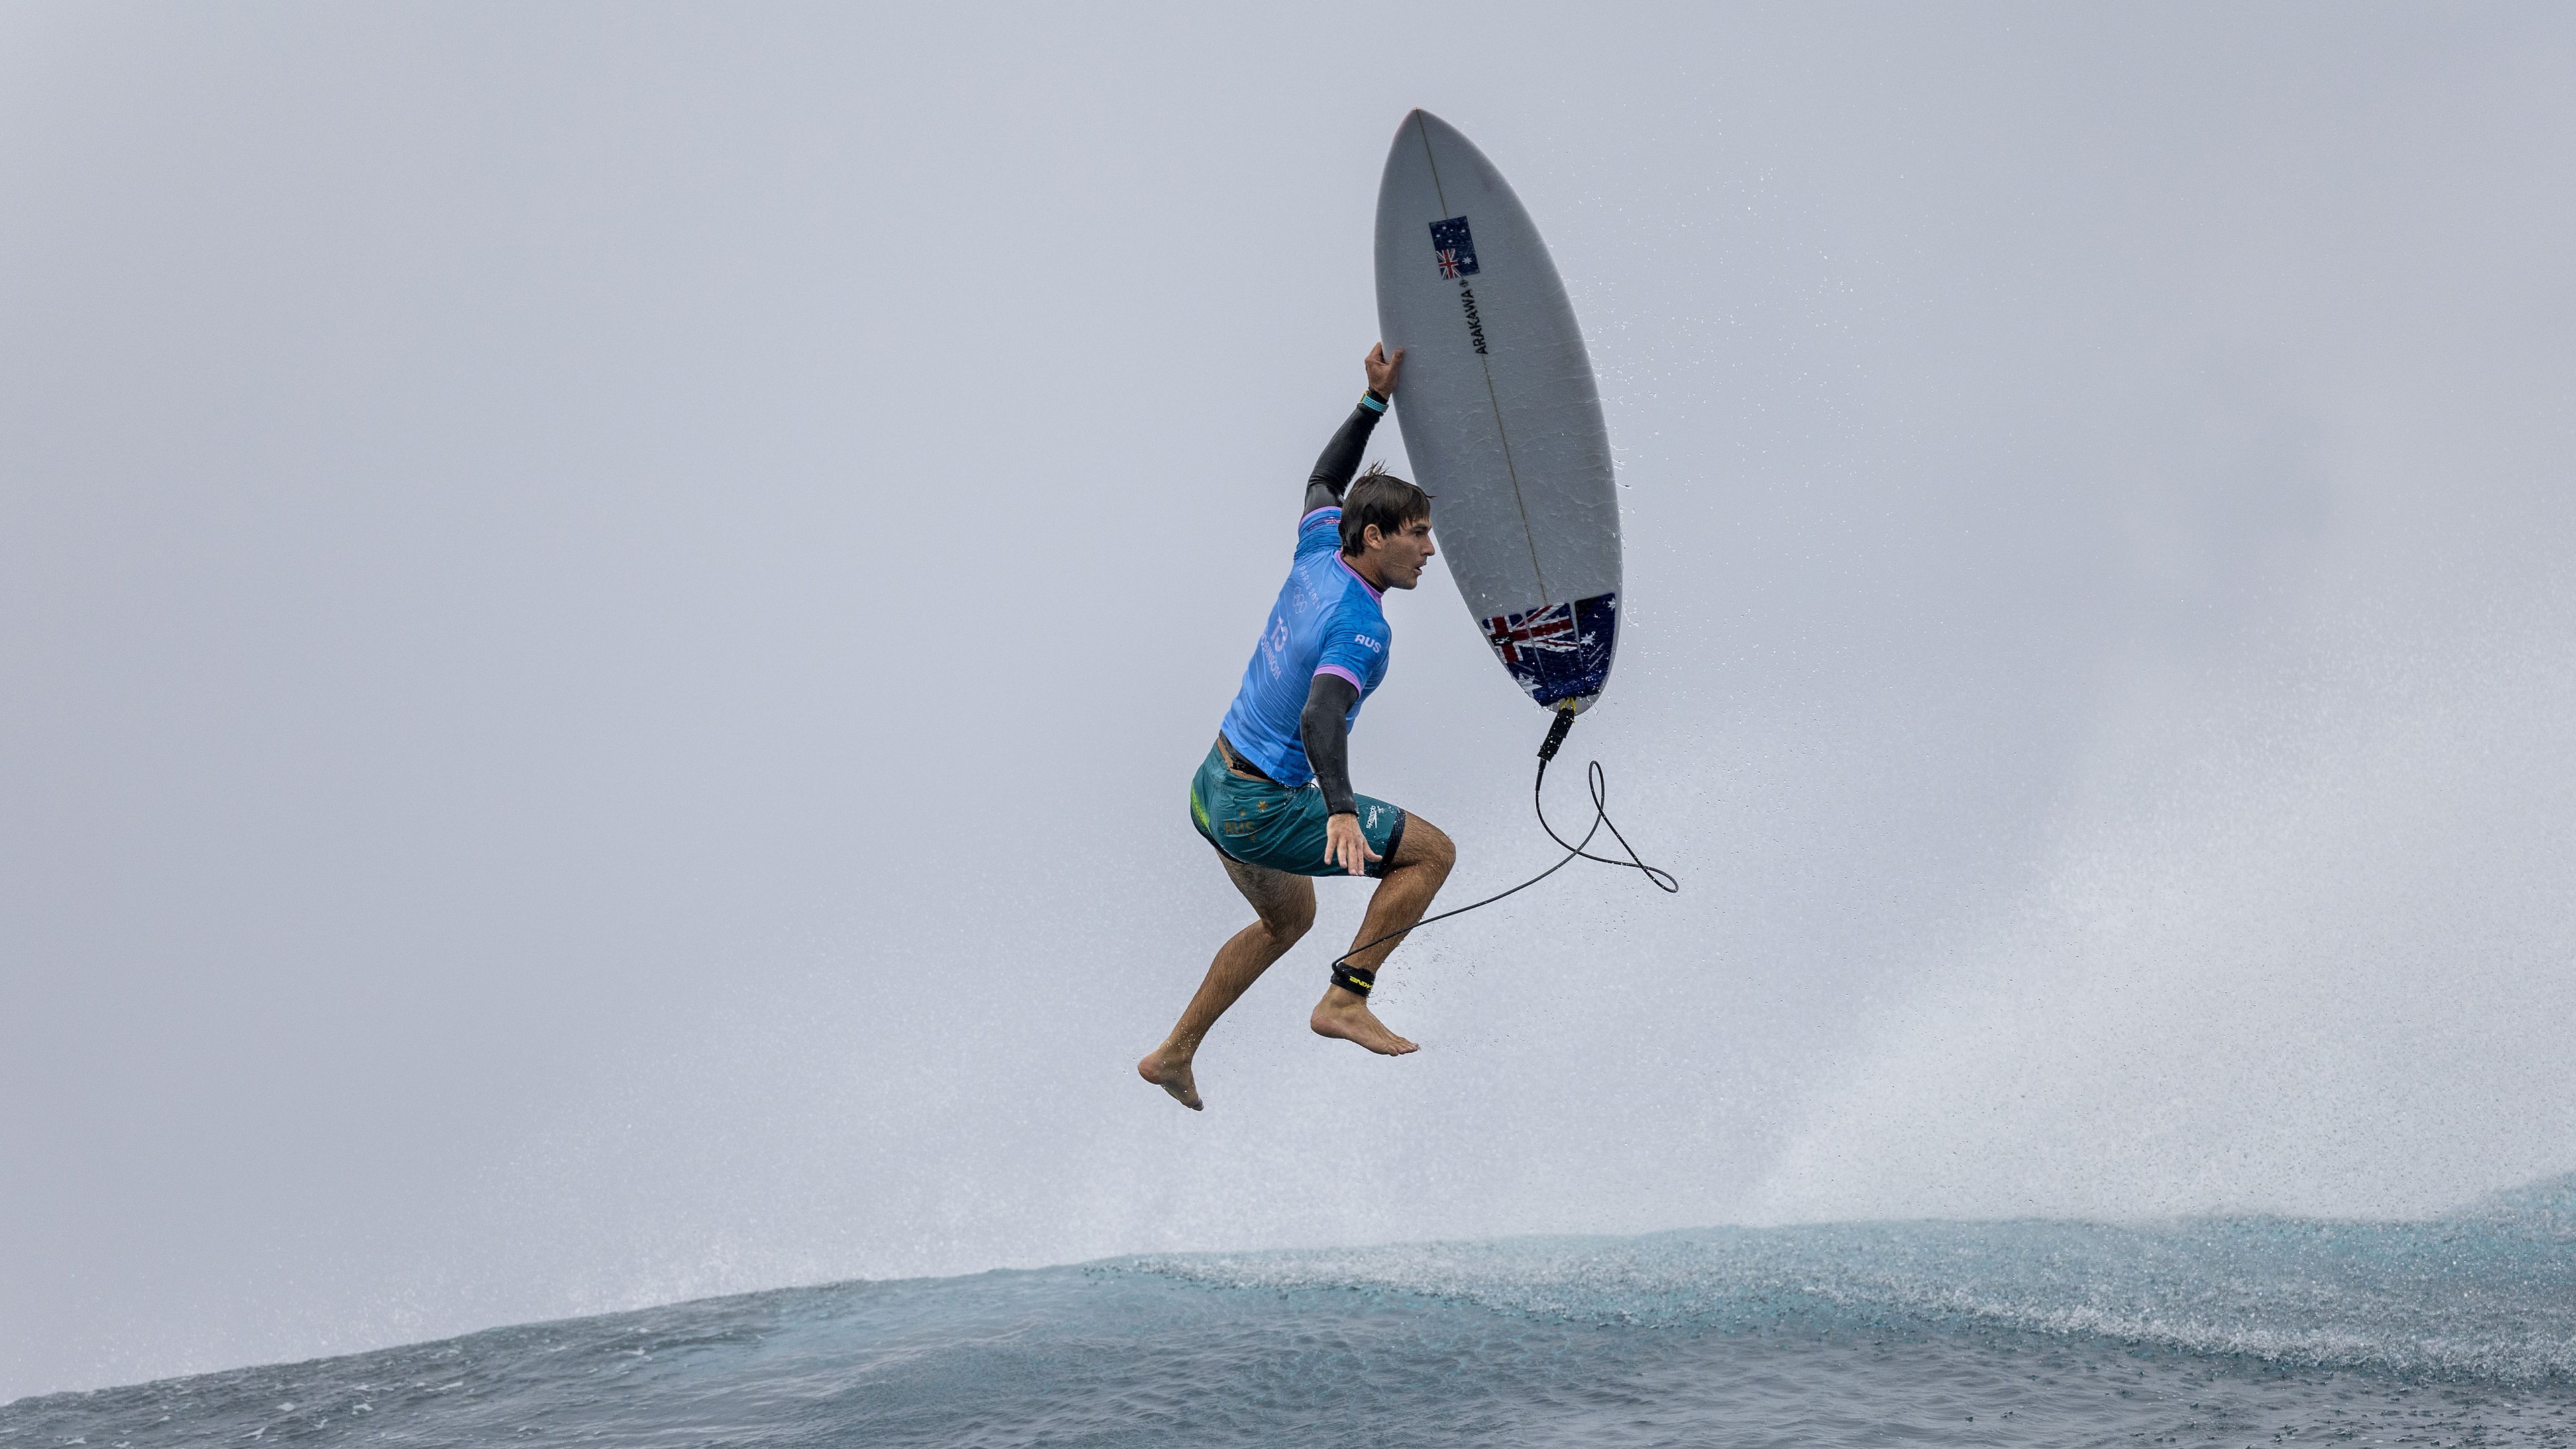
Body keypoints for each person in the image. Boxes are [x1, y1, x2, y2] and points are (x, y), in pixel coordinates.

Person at [1137, 343, 1458, 1112]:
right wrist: (1342, 809)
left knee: (1291, 918)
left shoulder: (1321, 548)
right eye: (1416, 532)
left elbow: (1323, 481)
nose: (1430, 549)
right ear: (1375, 537)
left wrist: (1373, 401)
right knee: (1430, 854)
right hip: (1260, 807)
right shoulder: (1362, 627)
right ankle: (1347, 998)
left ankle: (1173, 1054)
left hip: (1212, 786)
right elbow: (1322, 713)